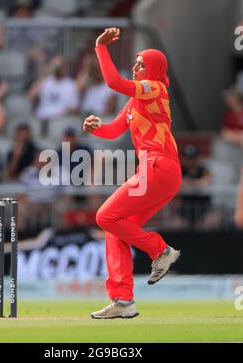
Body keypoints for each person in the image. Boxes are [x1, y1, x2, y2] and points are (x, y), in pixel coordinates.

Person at [83, 28, 182, 319]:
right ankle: (123, 300)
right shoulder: (136, 100)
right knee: (115, 230)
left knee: (105, 217)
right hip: (160, 172)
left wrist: (100, 48)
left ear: (152, 69)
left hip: (158, 166)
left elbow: (113, 81)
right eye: (136, 62)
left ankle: (160, 250)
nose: (136, 66)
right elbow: (114, 130)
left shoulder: (155, 88)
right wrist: (95, 128)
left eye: (141, 63)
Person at [28, 55, 79, 135]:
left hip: (60, 121)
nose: (58, 68)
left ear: (65, 67)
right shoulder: (45, 81)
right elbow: (31, 96)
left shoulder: (71, 85)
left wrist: (56, 116)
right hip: (42, 120)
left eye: (61, 65)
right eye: (55, 65)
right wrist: (44, 75)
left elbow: (74, 108)